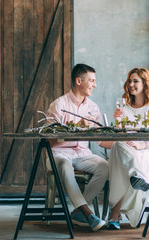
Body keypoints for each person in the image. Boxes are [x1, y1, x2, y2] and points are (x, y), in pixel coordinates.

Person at [45, 63, 109, 232]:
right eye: (92, 80)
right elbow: (51, 140)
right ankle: (88, 213)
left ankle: (78, 211)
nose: (95, 84)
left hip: (82, 154)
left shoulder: (93, 107)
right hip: (58, 154)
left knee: (104, 166)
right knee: (65, 165)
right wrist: (75, 126)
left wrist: (122, 141)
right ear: (78, 81)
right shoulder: (58, 105)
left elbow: (100, 140)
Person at [107, 68, 149, 230]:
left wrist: (142, 145)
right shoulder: (124, 108)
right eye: (130, 81)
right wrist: (118, 121)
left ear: (145, 84)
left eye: (136, 81)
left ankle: (114, 214)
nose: (131, 84)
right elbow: (119, 136)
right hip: (126, 148)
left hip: (148, 149)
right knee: (120, 146)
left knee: (123, 157)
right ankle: (137, 175)